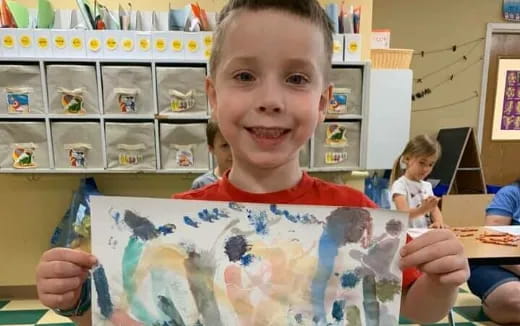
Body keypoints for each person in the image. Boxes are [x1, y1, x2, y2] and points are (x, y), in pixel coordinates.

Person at [35, 0, 469, 324]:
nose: (269, 101)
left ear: (322, 103)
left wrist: (441, 281)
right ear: (212, 96)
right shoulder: (179, 222)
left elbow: (417, 311)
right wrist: (76, 300)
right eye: (245, 76)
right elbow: (134, 314)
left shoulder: (356, 219)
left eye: (296, 79)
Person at [467, 178, 520, 324]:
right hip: (497, 264)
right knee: (515, 300)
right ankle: (495, 304)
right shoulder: (511, 193)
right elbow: (493, 245)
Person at [390, 134, 448, 229]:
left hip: (422, 234)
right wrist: (424, 209)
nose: (426, 169)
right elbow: (403, 214)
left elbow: (434, 209)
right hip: (406, 236)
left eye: (430, 164)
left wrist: (439, 222)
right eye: (422, 162)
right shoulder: (400, 185)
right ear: (407, 159)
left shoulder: (427, 186)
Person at [191, 120, 233, 189]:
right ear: (211, 149)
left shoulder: (253, 181)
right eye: (225, 145)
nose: (232, 151)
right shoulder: (202, 184)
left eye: (235, 144)